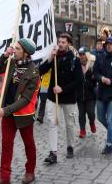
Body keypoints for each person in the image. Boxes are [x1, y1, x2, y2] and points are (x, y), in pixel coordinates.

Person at [0, 38, 40, 184]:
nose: (14, 50)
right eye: (15, 48)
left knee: (29, 144)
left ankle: (30, 172)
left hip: (24, 114)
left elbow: (25, 99)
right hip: (7, 112)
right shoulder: (11, 62)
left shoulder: (34, 71)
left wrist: (5, 110)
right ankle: (4, 178)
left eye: (18, 49)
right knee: (6, 145)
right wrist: (5, 55)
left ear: (26, 53)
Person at [39, 33, 81, 164]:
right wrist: (51, 57)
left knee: (70, 124)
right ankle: (53, 152)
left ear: (68, 43)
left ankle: (70, 146)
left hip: (68, 98)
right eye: (59, 42)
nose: (61, 44)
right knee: (52, 123)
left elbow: (79, 80)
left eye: (63, 42)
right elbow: (41, 70)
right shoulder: (54, 57)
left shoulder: (74, 59)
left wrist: (63, 88)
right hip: (53, 97)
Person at [76, 47, 97, 139]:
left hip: (90, 95)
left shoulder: (92, 65)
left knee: (91, 113)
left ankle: (92, 123)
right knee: (81, 114)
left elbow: (96, 79)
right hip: (79, 95)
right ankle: (82, 130)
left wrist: (91, 80)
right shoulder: (77, 65)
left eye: (83, 54)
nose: (81, 56)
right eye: (80, 54)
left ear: (87, 55)